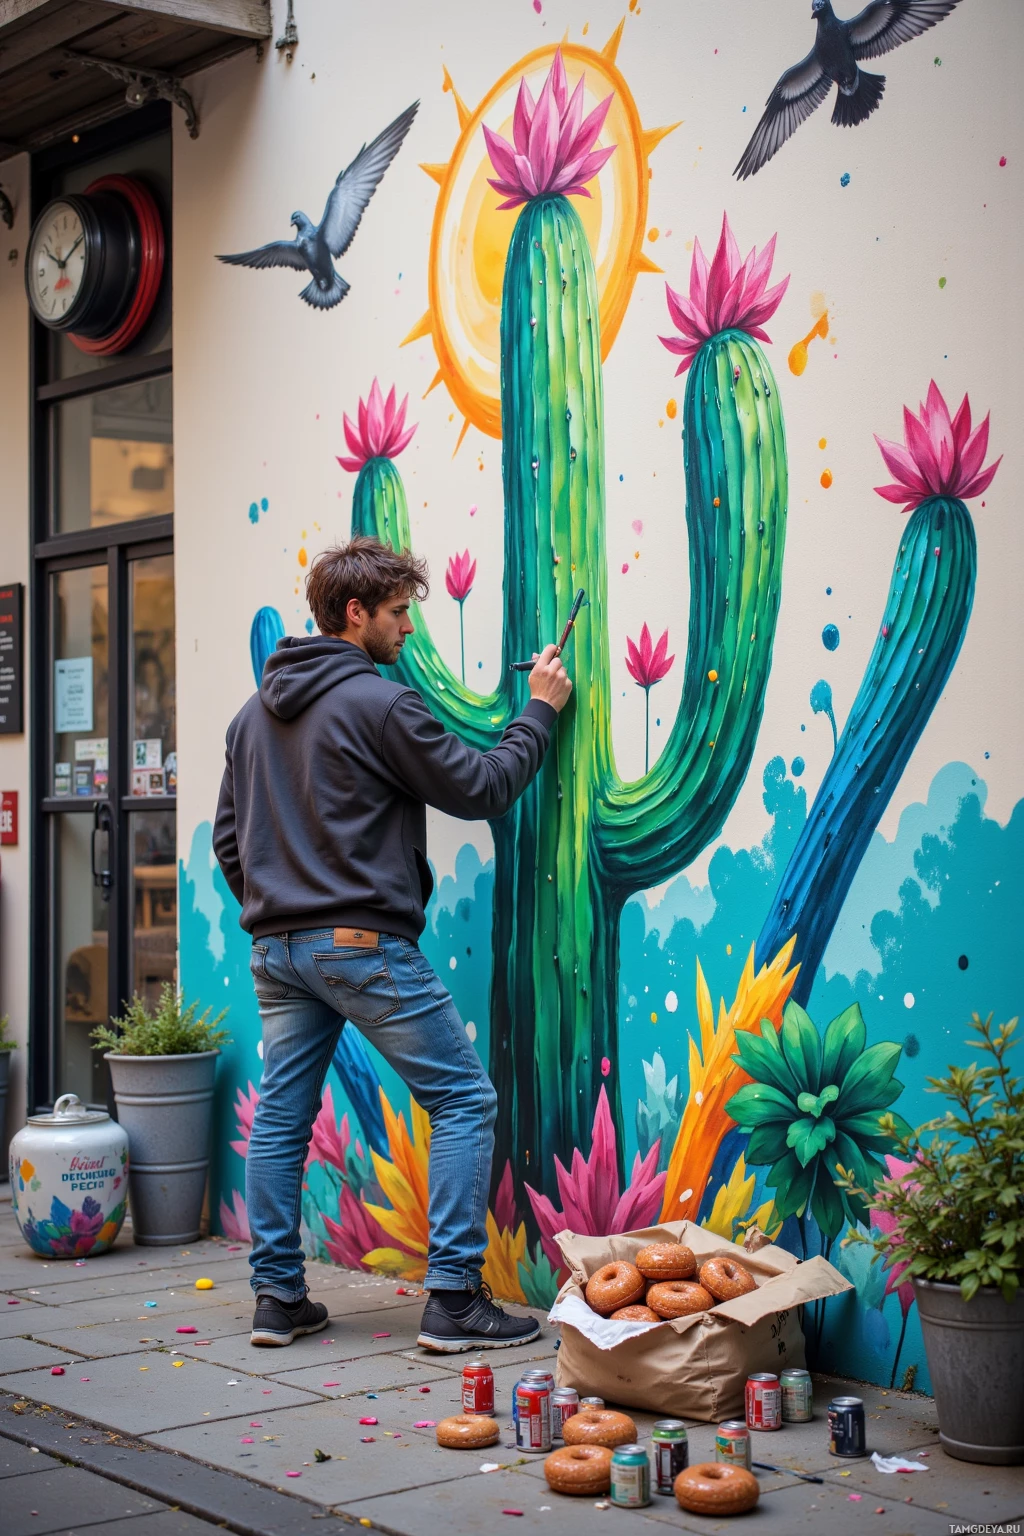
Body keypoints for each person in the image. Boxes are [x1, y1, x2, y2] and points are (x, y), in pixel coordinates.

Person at [213, 535, 572, 1351]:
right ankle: (453, 1299)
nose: (409, 630)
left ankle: (277, 1299)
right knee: (464, 1099)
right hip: (359, 945)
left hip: (278, 951)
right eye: (400, 613)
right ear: (355, 613)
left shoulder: (248, 718)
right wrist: (541, 709)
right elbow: (482, 788)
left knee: (281, 1120)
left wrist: (281, 914)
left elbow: (229, 846)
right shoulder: (381, 705)